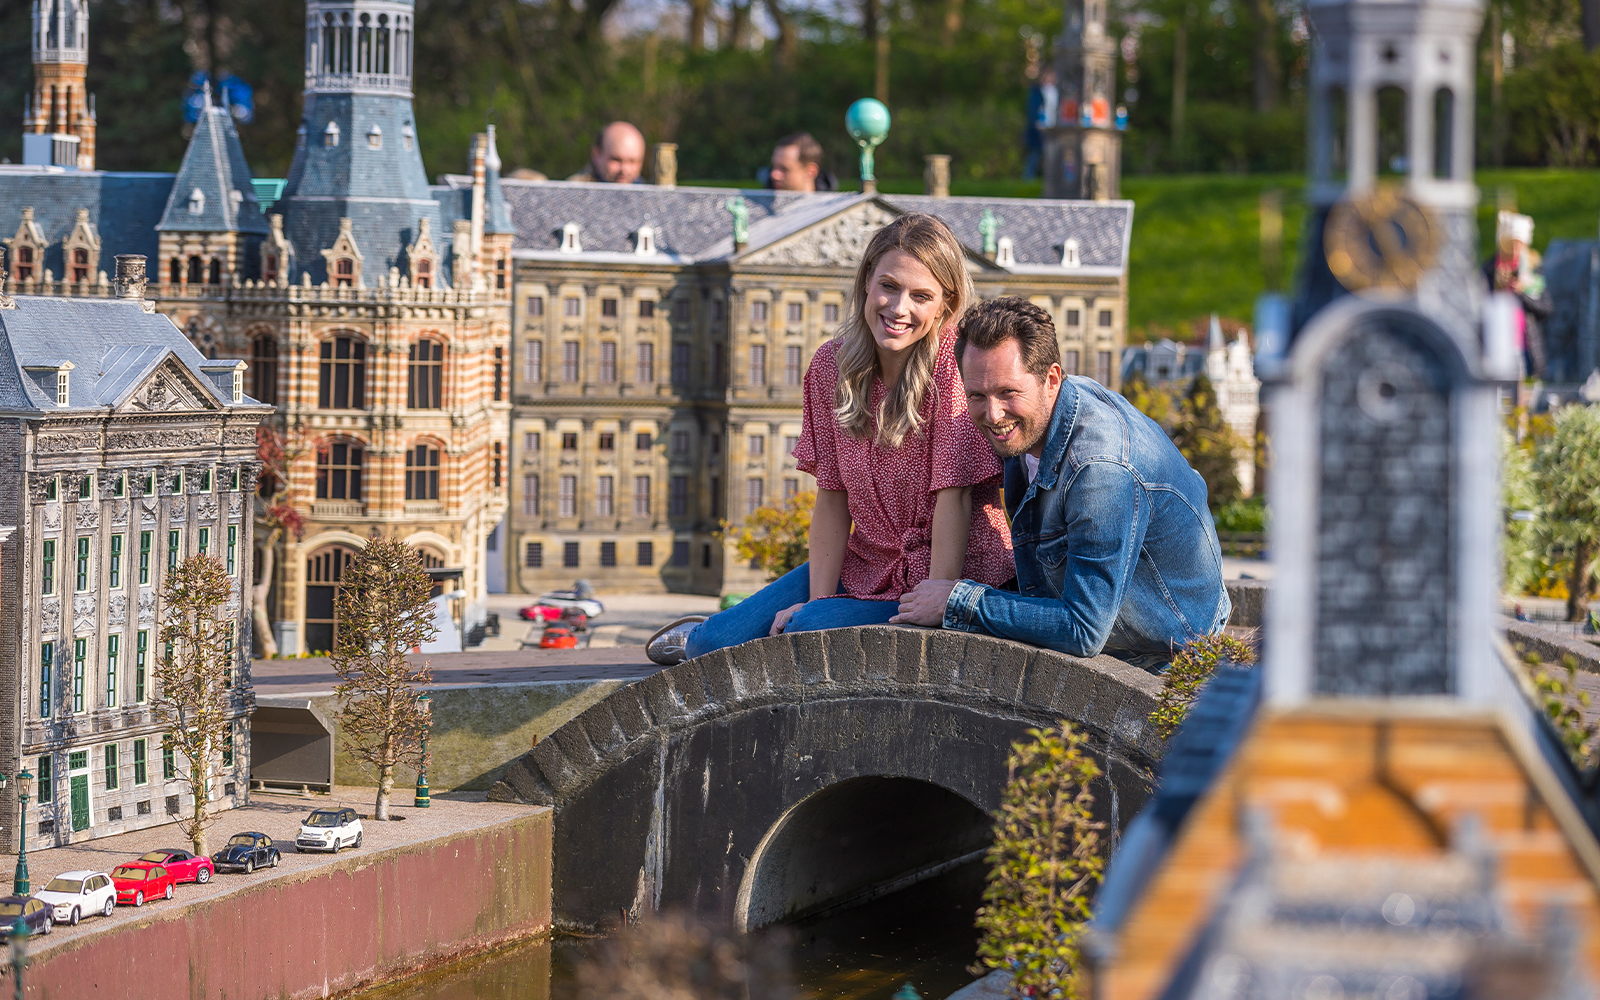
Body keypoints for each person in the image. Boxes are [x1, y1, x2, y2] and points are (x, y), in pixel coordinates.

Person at [648, 215, 1014, 665]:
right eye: (889, 286)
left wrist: (935, 605)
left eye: (921, 296)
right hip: (867, 564)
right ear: (865, 283)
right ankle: (710, 630)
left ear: (945, 305)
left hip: (953, 571)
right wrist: (818, 600)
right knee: (707, 647)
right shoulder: (831, 368)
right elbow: (831, 500)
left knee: (804, 630)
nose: (899, 308)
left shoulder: (953, 368)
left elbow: (954, 500)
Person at [892, 297, 1231, 665]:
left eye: (1008, 392)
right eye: (977, 395)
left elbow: (1083, 630)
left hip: (1164, 656)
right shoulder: (1044, 412)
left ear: (1051, 379)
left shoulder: (1099, 472)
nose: (992, 414)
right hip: (1120, 626)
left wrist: (959, 600)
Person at [1484, 210, 1551, 378]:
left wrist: (1522, 294)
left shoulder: (1532, 270)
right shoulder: (1489, 269)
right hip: (1496, 341)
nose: (1514, 249)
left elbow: (1546, 309)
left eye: (1518, 244)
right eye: (1510, 243)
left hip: (1525, 344)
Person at [567, 122, 646, 184]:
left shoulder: (649, 195)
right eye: (616, 160)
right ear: (596, 154)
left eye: (632, 161)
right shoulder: (573, 192)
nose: (624, 170)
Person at [767, 132, 837, 192]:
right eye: (773, 166)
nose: (774, 175)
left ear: (811, 171)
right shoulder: (760, 206)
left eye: (784, 169)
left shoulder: (837, 207)